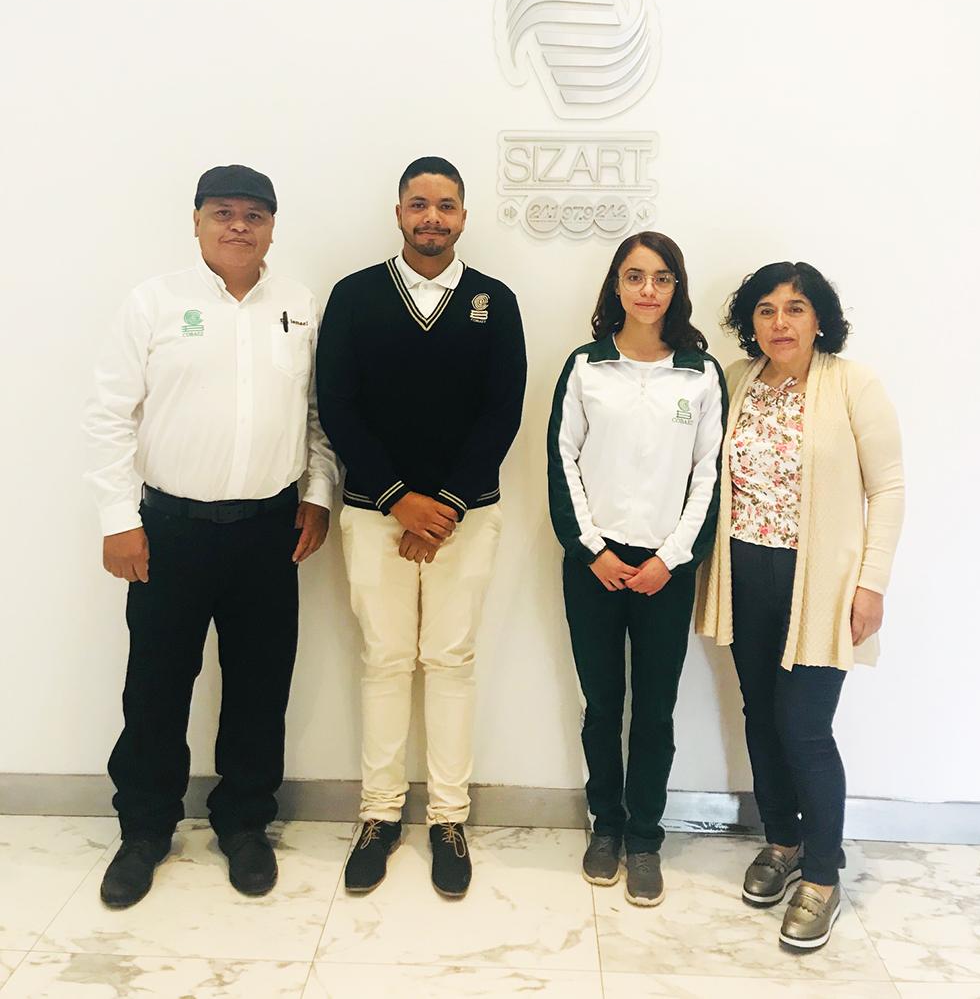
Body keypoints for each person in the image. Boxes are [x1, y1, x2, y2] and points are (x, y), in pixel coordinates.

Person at [83, 164, 337, 909]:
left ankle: (245, 822)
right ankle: (144, 829)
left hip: (268, 531)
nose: (238, 226)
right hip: (169, 530)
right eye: (223, 212)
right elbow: (108, 414)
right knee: (156, 685)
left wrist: (317, 495)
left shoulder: (299, 306)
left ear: (272, 228)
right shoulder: (154, 303)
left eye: (254, 215)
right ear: (195, 221)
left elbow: (319, 415)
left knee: (261, 684)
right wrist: (119, 519)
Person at [316, 155, 526, 899]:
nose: (432, 216)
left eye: (445, 205)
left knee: (449, 661)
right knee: (385, 659)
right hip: (376, 512)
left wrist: (445, 508)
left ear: (464, 215)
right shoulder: (355, 296)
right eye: (419, 203)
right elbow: (338, 405)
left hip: (467, 516)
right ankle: (378, 814)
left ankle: (448, 819)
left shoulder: (494, 301)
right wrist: (400, 500)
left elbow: (503, 411)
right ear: (398, 212)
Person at [696, 261, 904, 950]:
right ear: (750, 322)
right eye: (766, 310)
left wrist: (872, 582)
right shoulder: (737, 379)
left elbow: (889, 487)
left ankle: (822, 875)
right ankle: (782, 842)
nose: (779, 322)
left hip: (822, 583)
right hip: (744, 573)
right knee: (761, 717)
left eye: (795, 308)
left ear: (820, 319)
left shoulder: (852, 384)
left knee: (805, 728)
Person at [547, 232, 725, 907]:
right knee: (601, 707)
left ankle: (645, 837)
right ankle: (607, 826)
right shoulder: (586, 366)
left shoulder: (699, 374)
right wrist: (591, 548)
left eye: (661, 278)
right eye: (634, 276)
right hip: (594, 567)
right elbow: (562, 458)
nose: (648, 290)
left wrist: (670, 558)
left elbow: (708, 474)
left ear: (677, 287)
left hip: (664, 573)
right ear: (615, 286)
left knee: (654, 710)